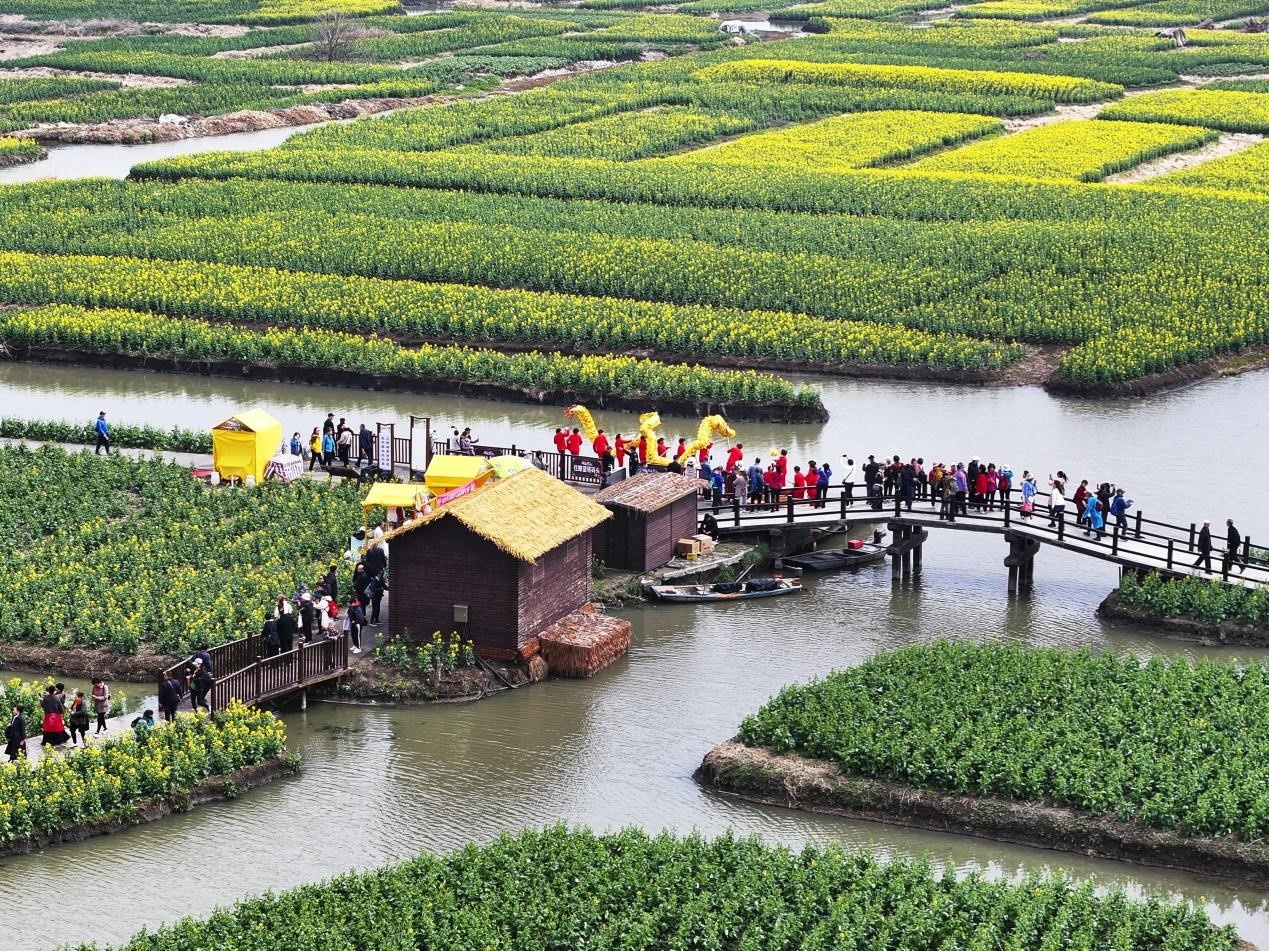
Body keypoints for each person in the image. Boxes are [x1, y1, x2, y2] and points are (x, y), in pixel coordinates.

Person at [41, 684, 69, 749]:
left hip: (48, 716)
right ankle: (58, 741)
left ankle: (47, 742)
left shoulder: (45, 698)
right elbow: (61, 709)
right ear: (54, 691)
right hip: (55, 716)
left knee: (48, 729)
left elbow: (42, 705)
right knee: (57, 729)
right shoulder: (57, 698)